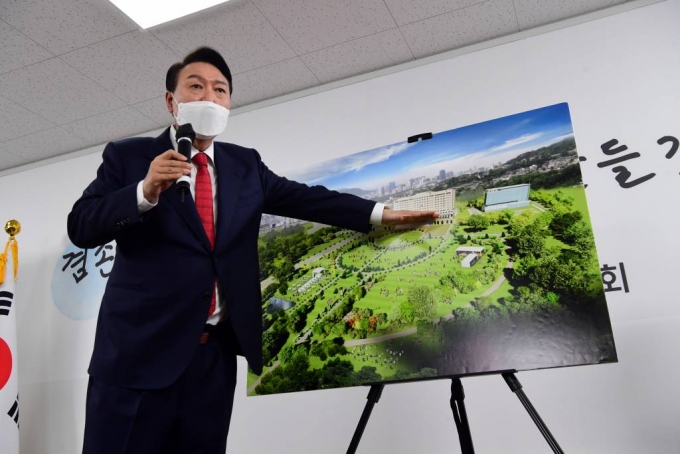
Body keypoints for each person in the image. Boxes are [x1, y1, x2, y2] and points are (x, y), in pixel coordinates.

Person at [68, 46, 437, 454]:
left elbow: (307, 200)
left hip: (213, 361)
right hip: (137, 358)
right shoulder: (129, 156)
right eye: (196, 86)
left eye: (220, 90)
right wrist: (144, 190)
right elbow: (81, 225)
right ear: (172, 102)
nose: (209, 97)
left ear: (229, 104)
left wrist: (380, 213)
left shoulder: (245, 165)